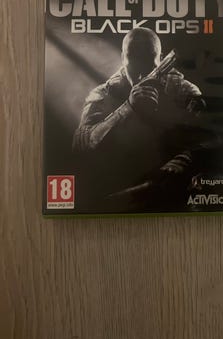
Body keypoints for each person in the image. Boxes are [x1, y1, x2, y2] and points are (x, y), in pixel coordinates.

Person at [73, 27, 207, 210]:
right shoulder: (103, 95)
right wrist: (128, 108)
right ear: (122, 58)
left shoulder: (182, 90)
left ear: (160, 59)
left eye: (149, 62)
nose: (141, 74)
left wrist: (186, 158)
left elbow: (209, 136)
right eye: (134, 60)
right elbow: (81, 145)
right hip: (120, 191)